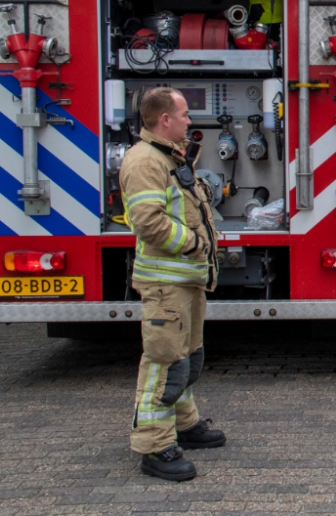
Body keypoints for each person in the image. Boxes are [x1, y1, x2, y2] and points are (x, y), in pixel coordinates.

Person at [120, 87, 225, 482]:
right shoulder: (145, 161)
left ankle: (185, 424)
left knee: (186, 357)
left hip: (185, 280)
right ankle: (154, 446)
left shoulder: (167, 156)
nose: (188, 121)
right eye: (183, 114)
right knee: (164, 364)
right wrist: (195, 243)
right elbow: (148, 222)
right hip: (167, 283)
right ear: (164, 119)